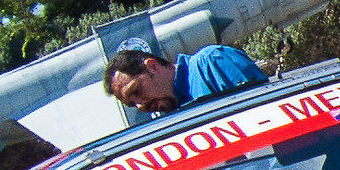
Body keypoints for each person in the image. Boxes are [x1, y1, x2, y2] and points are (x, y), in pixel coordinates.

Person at [106, 41, 270, 116]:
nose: (141, 105)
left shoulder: (211, 63)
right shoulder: (176, 117)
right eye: (132, 104)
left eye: (137, 90)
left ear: (152, 66)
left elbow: (266, 112)